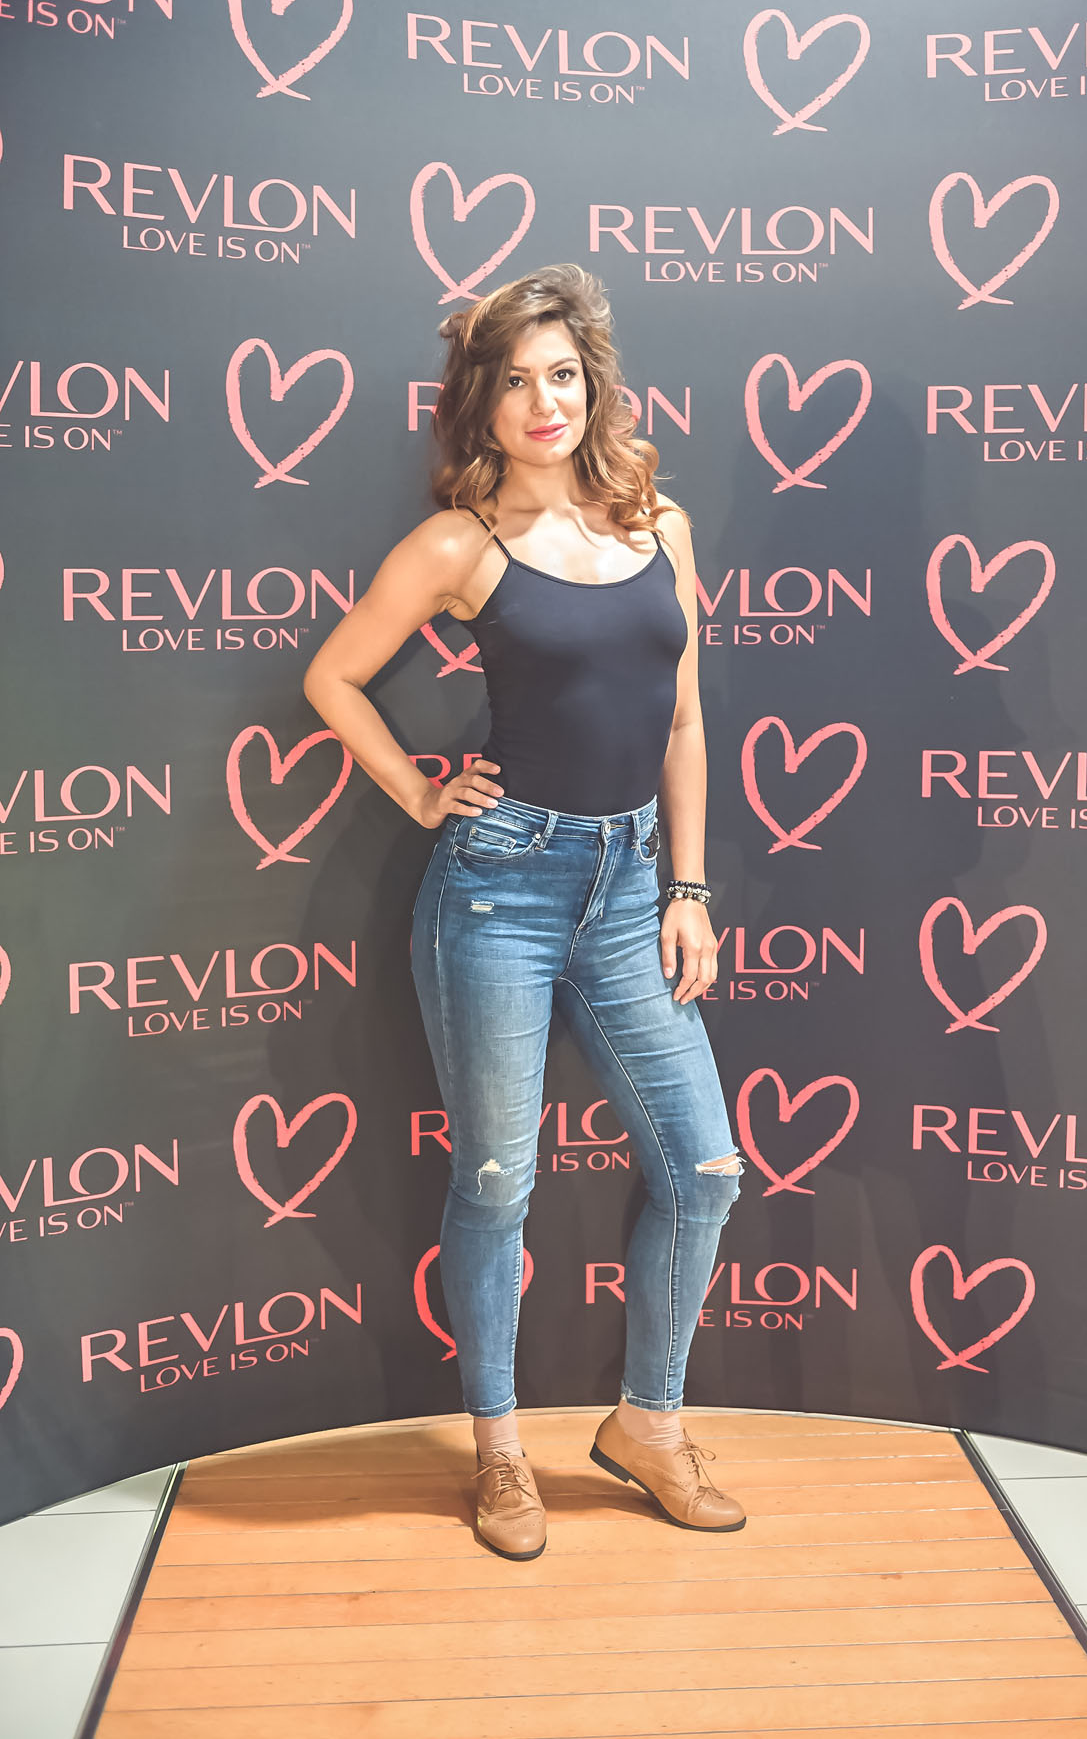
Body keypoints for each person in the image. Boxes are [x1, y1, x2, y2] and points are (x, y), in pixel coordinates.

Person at [304, 262, 746, 1563]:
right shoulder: (463, 544)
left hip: (630, 886)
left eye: (563, 375)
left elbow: (683, 719)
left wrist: (688, 889)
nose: (544, 401)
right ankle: (499, 1451)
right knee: (498, 1182)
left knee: (704, 1169)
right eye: (514, 381)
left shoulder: (657, 524)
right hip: (499, 886)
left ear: (592, 386)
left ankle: (649, 1426)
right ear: (480, 404)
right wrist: (419, 791)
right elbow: (334, 676)